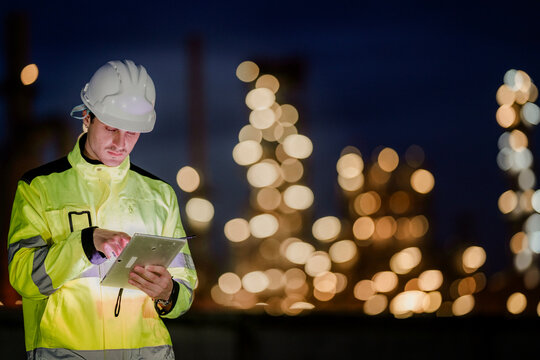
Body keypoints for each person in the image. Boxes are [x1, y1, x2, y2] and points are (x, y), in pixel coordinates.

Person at [7, 60, 197, 359]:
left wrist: (168, 293)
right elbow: (23, 279)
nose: (121, 143)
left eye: (132, 132)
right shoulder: (38, 188)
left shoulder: (160, 195)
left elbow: (185, 291)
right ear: (87, 117)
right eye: (111, 128)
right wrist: (84, 244)